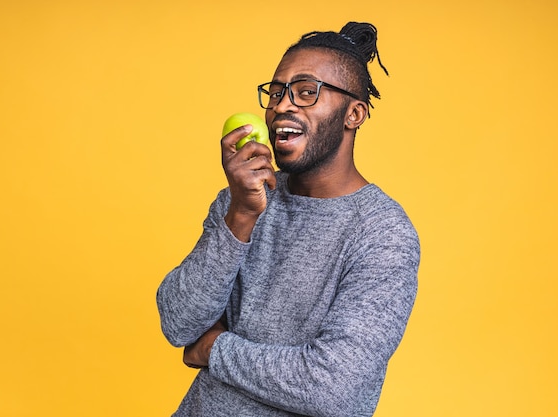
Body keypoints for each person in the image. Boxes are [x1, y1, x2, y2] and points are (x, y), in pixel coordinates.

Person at [157, 21, 420, 417]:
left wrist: (215, 350)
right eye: (276, 92)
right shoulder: (240, 201)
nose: (282, 105)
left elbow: (333, 389)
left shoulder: (382, 233)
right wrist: (241, 215)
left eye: (306, 92)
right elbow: (177, 323)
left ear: (354, 114)